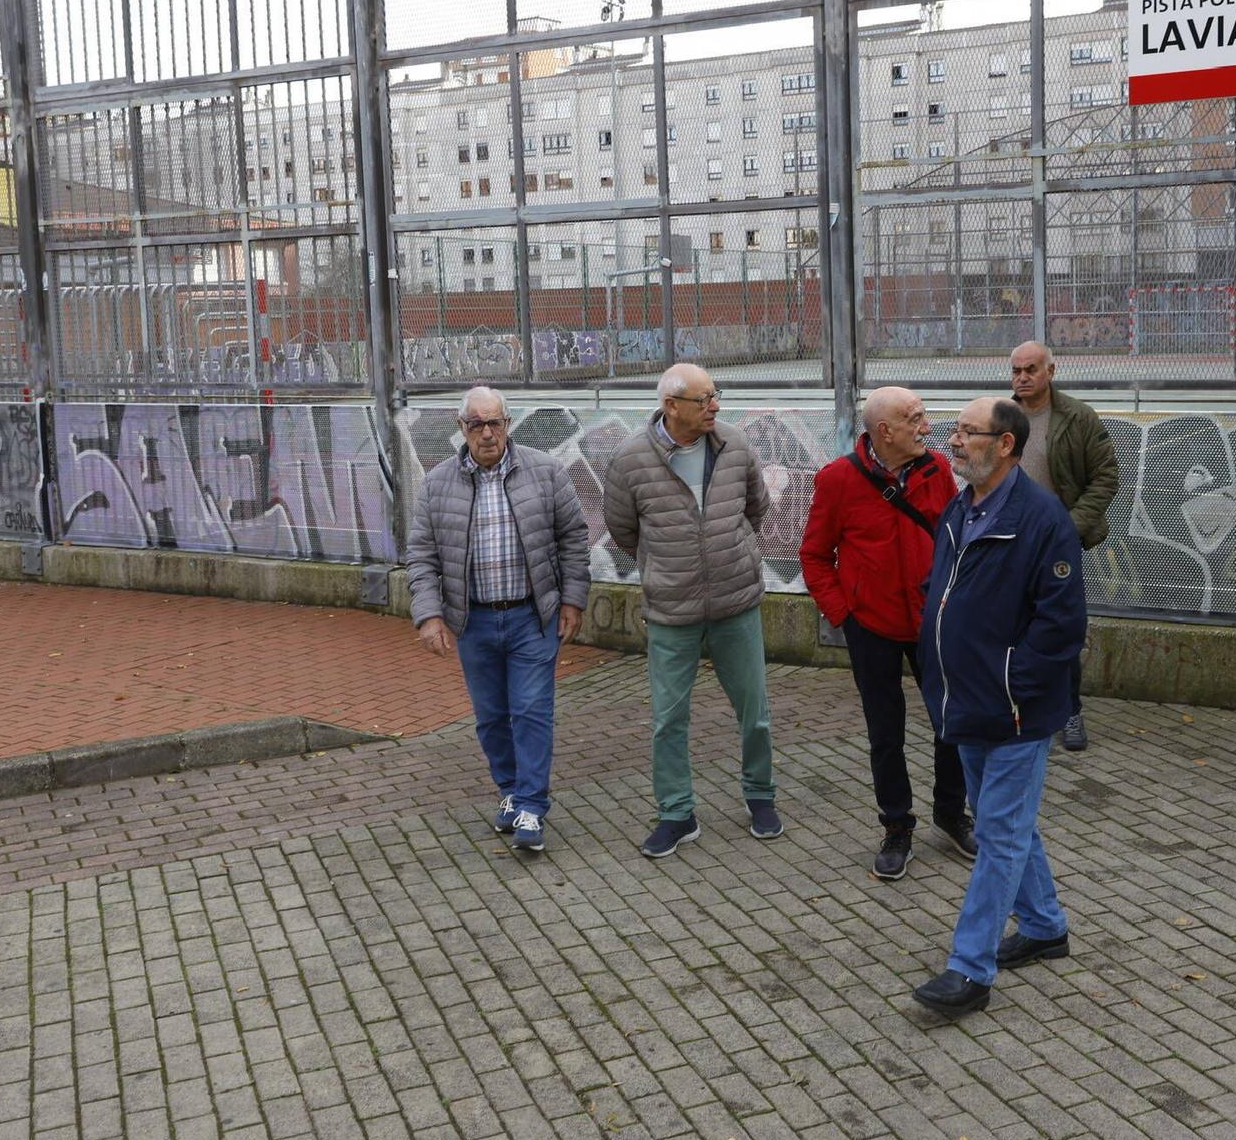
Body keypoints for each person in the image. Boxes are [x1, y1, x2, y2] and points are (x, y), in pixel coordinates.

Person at [909, 397, 1085, 1019]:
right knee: (999, 821)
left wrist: (1015, 684)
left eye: (966, 433)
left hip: (1014, 710)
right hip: (966, 701)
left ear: (1004, 445)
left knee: (999, 837)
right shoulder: (961, 507)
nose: (953, 441)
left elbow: (1062, 626)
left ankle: (970, 968)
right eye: (954, 431)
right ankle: (1044, 926)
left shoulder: (1043, 519)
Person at [603, 363, 782, 858]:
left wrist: (731, 551)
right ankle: (677, 814)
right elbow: (623, 530)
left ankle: (761, 797)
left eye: (715, 395)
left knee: (755, 713)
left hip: (736, 601)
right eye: (704, 399)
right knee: (668, 718)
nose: (715, 406)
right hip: (671, 611)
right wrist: (668, 565)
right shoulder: (629, 460)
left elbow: (756, 508)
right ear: (670, 406)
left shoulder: (735, 445)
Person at [405, 386, 590, 854]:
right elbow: (422, 557)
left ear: (508, 424)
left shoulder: (545, 473)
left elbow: (573, 538)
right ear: (461, 428)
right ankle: (509, 790)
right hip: (475, 622)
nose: (488, 434)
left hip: (532, 616)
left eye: (495, 423)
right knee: (490, 718)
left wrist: (573, 600)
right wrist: (428, 615)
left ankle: (531, 803)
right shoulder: (437, 484)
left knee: (530, 711)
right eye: (476, 425)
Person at [799, 386, 975, 880]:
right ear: (885, 431)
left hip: (930, 621)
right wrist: (843, 613)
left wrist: (953, 601)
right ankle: (897, 826)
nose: (927, 425)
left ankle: (950, 812)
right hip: (870, 626)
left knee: (950, 721)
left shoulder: (937, 469)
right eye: (915, 417)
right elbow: (814, 555)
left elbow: (955, 539)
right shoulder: (837, 479)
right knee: (885, 734)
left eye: (923, 414)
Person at [1008, 340, 1118, 752]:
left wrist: (1068, 530)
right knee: (1011, 628)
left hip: (1058, 547)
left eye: (1031, 369)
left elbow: (1105, 478)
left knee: (1061, 630)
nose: (1022, 377)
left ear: (1051, 371)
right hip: (1010, 544)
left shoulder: (1077, 418)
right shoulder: (1001, 417)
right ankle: (1021, 707)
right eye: (1016, 370)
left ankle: (1069, 710)